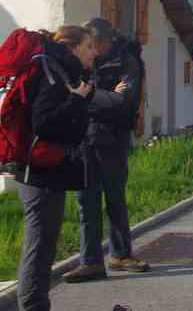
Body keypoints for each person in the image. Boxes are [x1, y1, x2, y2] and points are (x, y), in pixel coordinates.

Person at [14, 26, 96, 311]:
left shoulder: (62, 72)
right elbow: (44, 123)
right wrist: (76, 99)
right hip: (39, 174)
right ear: (72, 47)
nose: (94, 52)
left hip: (49, 172)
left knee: (45, 247)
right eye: (89, 46)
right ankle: (33, 307)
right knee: (38, 249)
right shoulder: (52, 74)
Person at [63, 18, 149, 283]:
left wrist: (90, 96)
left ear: (104, 42)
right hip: (84, 139)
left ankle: (121, 255)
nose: (90, 49)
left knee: (115, 199)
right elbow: (71, 97)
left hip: (113, 139)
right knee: (86, 202)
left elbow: (125, 103)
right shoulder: (80, 62)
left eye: (93, 44)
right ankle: (90, 262)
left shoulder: (127, 63)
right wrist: (105, 96)